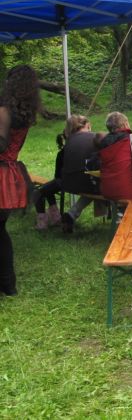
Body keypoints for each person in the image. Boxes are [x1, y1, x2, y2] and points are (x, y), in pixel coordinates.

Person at [0, 65, 41, 296]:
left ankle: (7, 284)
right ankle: (8, 285)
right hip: (10, 174)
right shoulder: (24, 113)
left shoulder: (5, 111)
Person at [34, 115, 93, 230]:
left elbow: (58, 176)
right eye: (88, 127)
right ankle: (55, 217)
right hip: (88, 182)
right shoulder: (91, 142)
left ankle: (44, 221)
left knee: (38, 193)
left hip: (68, 182)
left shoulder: (66, 150)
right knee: (47, 189)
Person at [59, 116, 105, 233]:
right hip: (87, 182)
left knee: (91, 182)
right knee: (109, 184)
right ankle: (121, 217)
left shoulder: (69, 140)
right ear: (87, 125)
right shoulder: (94, 137)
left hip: (68, 183)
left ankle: (72, 214)